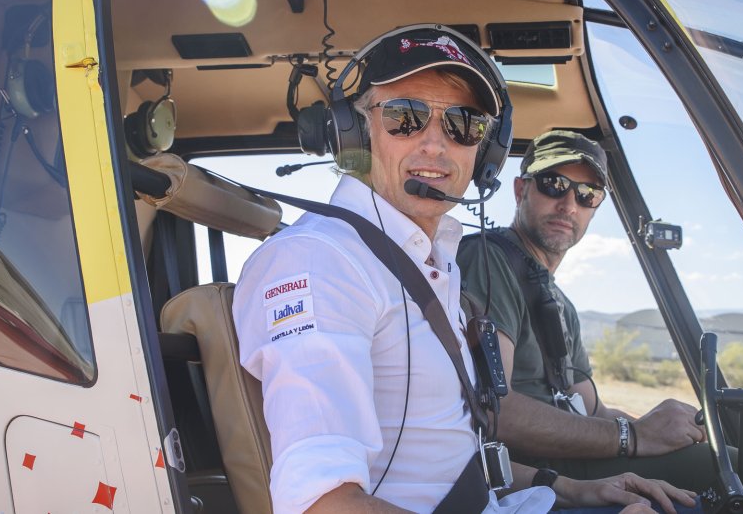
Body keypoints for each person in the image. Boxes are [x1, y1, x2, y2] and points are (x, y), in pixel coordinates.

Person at [231, 26, 706, 513]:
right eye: (405, 116)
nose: (436, 145)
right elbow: (324, 505)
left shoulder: (433, 261)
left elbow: (452, 452)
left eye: (463, 124)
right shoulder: (322, 263)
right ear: (354, 130)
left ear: (486, 152)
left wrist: (568, 487)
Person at [457, 131, 723, 492]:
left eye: (587, 194)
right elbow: (494, 410)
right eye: (554, 184)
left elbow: (592, 409)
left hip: (568, 455)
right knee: (726, 468)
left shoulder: (561, 304)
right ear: (520, 190)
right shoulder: (487, 260)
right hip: (525, 469)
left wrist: (662, 431)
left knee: (722, 459)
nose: (569, 205)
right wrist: (632, 436)